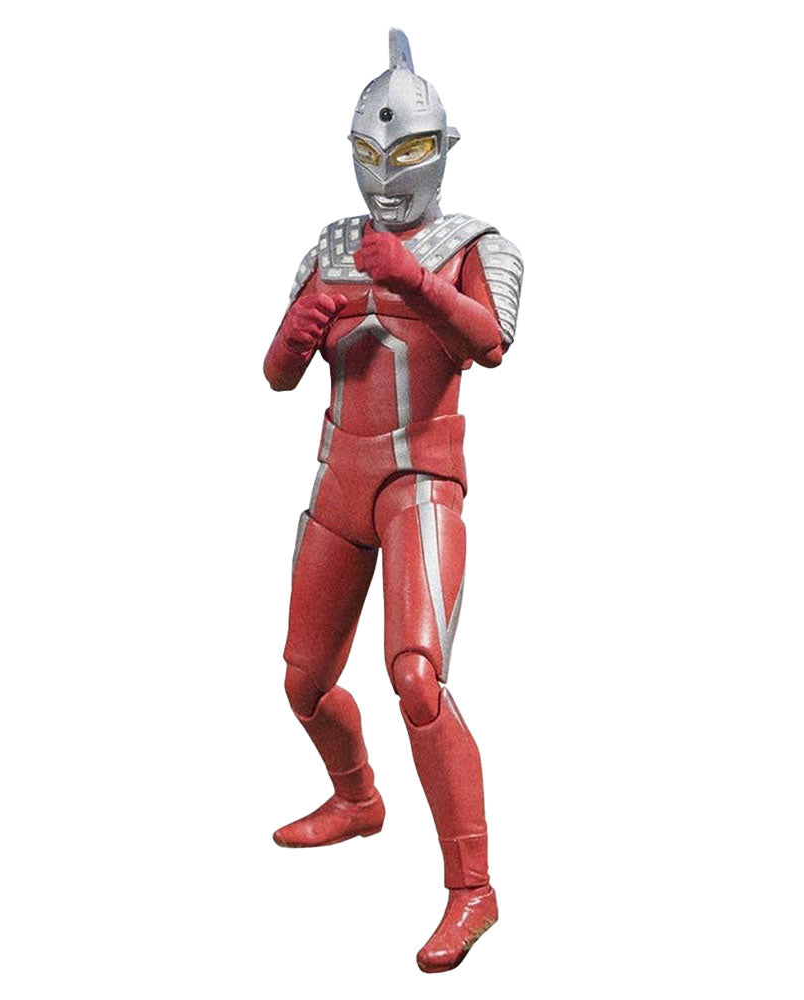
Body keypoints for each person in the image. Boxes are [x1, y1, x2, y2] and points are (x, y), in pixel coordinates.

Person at [263, 28, 523, 973]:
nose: (386, 172)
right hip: (340, 477)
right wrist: (295, 334)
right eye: (371, 153)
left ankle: (473, 888)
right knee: (302, 680)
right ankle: (357, 797)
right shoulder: (332, 245)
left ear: (441, 149)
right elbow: (277, 374)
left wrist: (415, 279)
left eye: (406, 150)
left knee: (415, 674)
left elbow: (491, 344)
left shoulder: (475, 245)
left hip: (419, 480)